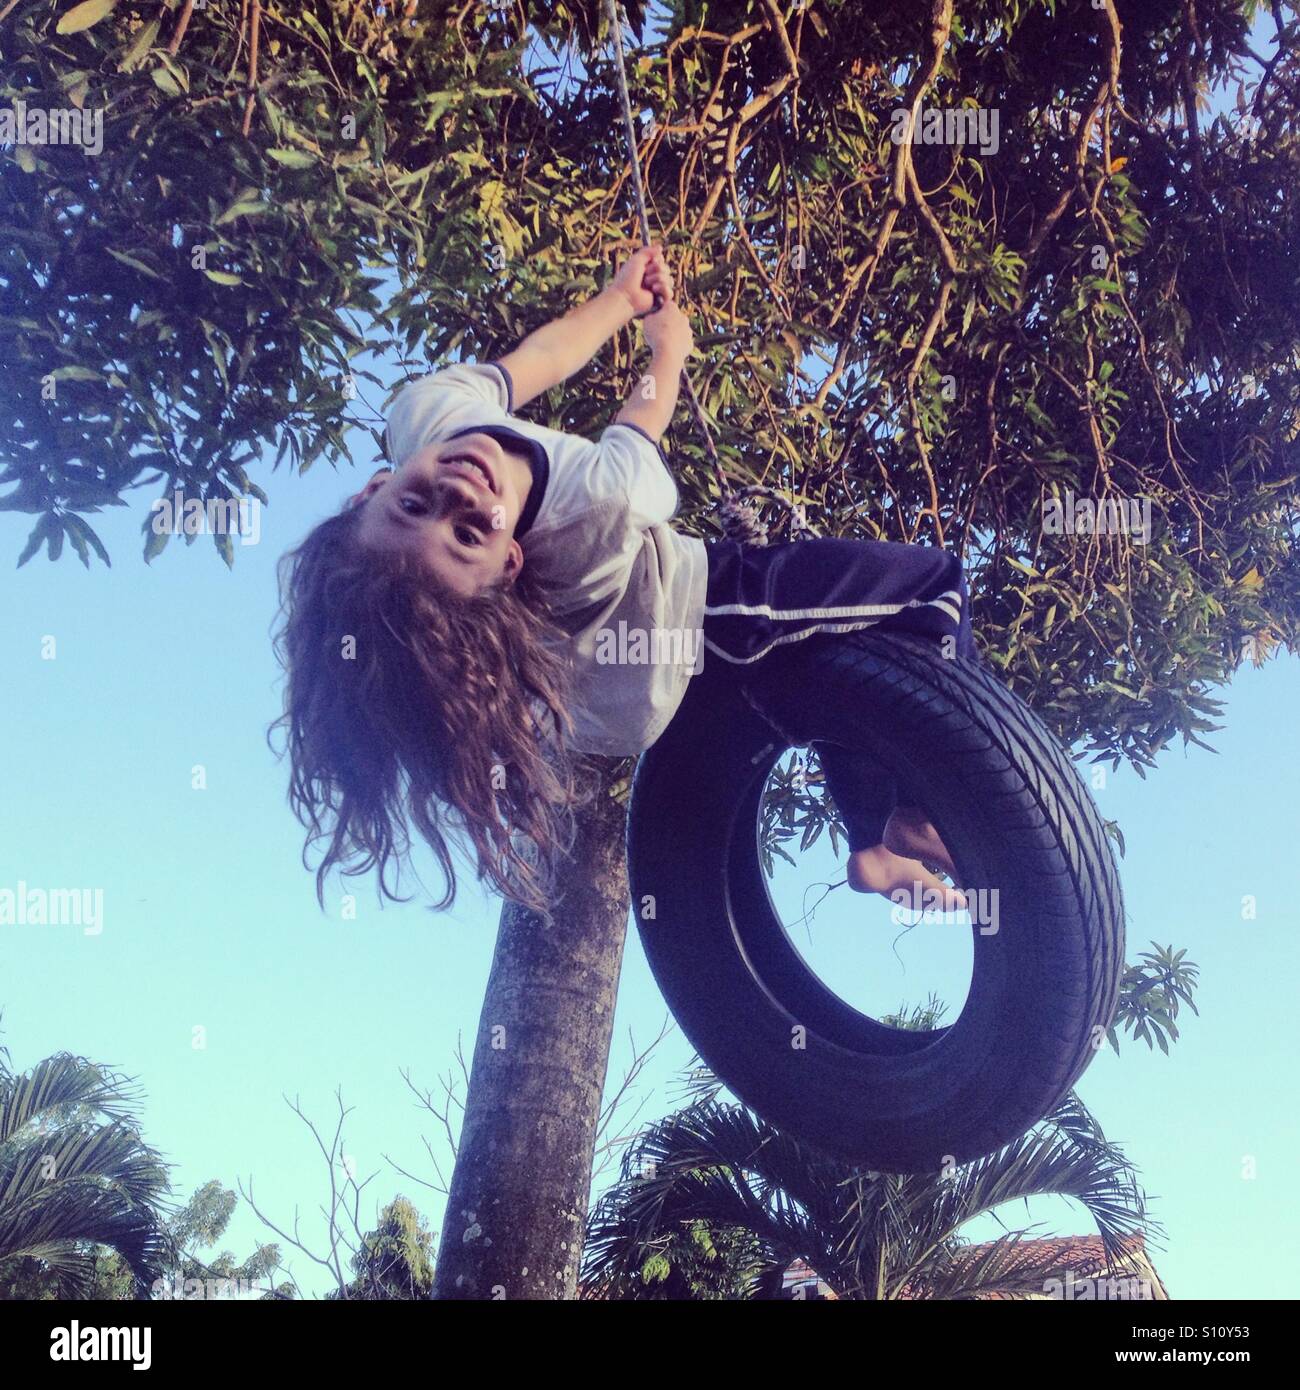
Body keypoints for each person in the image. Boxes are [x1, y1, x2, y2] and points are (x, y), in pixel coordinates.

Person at [274, 246, 974, 916]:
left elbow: (535, 361)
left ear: (374, 489)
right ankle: (914, 810)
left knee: (835, 665)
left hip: (626, 668)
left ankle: (872, 845)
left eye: (414, 505)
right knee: (930, 588)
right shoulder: (597, 510)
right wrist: (667, 348)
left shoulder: (425, 414)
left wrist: (618, 301)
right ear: (509, 564)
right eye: (469, 534)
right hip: (691, 623)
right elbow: (643, 415)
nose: (458, 492)